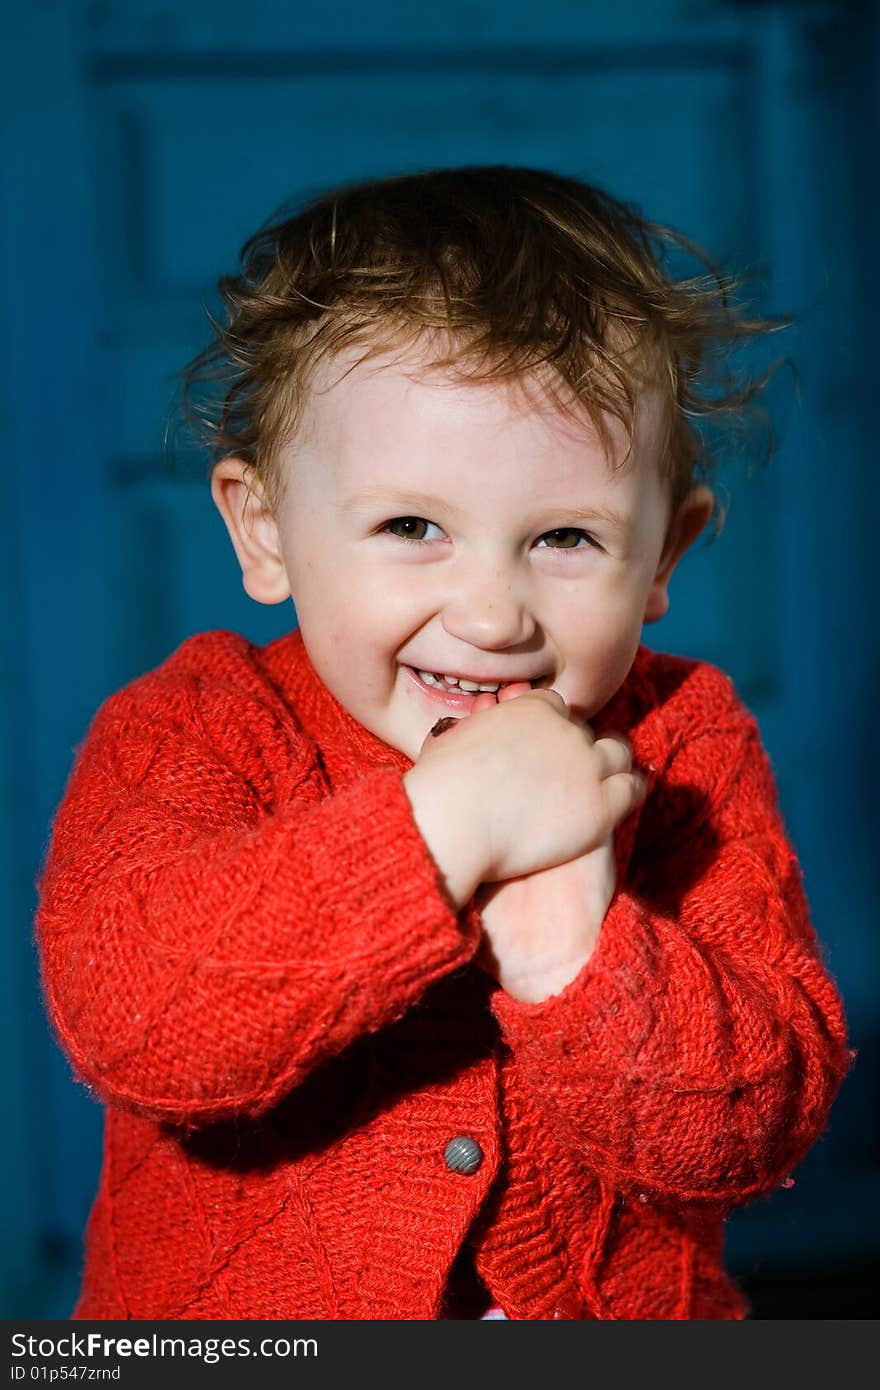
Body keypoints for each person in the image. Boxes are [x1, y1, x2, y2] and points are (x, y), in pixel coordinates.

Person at [35, 165, 851, 1320]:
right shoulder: (193, 729)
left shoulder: (686, 743)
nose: (491, 615)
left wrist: (577, 953)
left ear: (664, 557)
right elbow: (140, 1022)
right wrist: (434, 834)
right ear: (264, 531)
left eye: (565, 537)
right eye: (411, 526)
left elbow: (752, 1123)